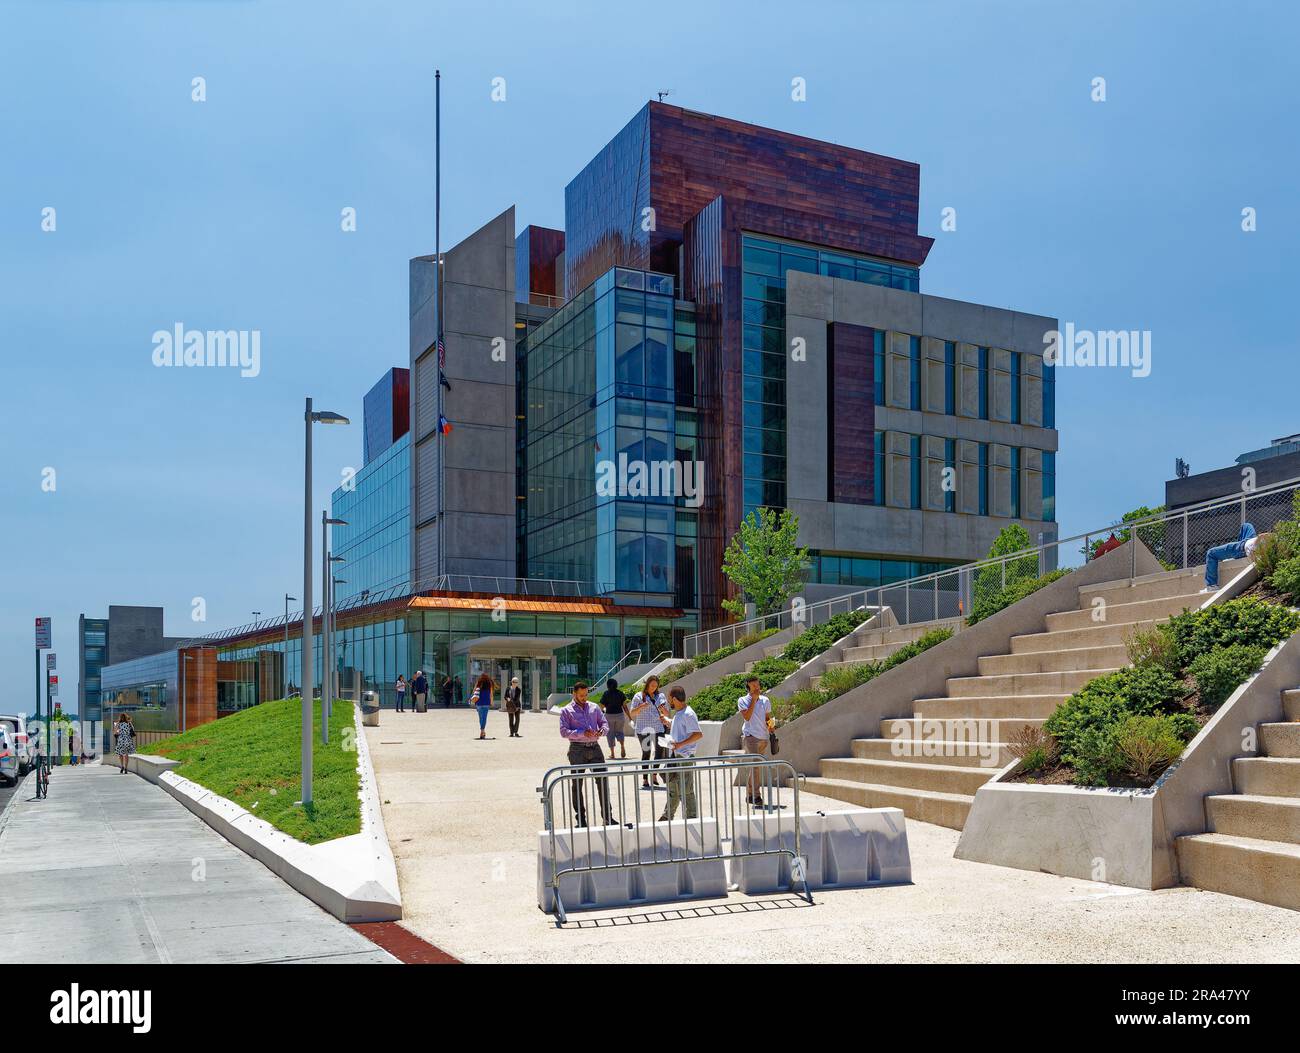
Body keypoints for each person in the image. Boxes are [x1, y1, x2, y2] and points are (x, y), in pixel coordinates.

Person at [558, 681, 612, 827]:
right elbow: (563, 732)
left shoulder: (594, 707)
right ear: (574, 693)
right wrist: (582, 733)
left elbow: (604, 723)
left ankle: (608, 817)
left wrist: (602, 730)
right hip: (577, 749)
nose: (584, 697)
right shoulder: (566, 710)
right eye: (581, 695)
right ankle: (581, 819)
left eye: (586, 694)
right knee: (577, 784)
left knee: (602, 782)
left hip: (595, 748)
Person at [659, 686, 702, 822]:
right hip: (676, 755)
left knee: (686, 790)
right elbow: (681, 729)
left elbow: (698, 734)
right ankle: (667, 816)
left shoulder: (688, 714)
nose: (668, 702)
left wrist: (680, 745)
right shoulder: (679, 713)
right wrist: (668, 721)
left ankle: (692, 819)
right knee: (673, 787)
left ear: (675, 699)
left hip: (684, 756)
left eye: (670, 699)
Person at [737, 675, 774, 806]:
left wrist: (771, 727)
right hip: (750, 736)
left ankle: (750, 794)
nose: (757, 688)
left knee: (756, 767)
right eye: (753, 686)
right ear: (748, 687)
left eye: (757, 685)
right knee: (756, 766)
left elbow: (768, 717)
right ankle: (756, 796)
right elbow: (747, 717)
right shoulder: (742, 700)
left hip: (764, 737)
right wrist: (753, 700)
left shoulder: (765, 700)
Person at [628, 675, 670, 789]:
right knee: (646, 752)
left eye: (656, 686)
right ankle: (645, 778)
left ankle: (654, 774)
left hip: (658, 727)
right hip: (643, 728)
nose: (654, 688)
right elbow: (632, 713)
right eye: (652, 685)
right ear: (647, 685)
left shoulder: (660, 696)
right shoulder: (638, 696)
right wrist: (641, 706)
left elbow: (667, 714)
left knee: (659, 753)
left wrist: (662, 709)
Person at [1203, 522, 1259, 592]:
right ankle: (1233, 556)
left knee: (1211, 553)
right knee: (1246, 525)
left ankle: (1211, 586)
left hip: (1241, 548)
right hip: (1247, 542)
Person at [599, 677, 628, 759]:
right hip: (620, 715)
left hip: (609, 716)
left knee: (610, 734)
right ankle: (622, 746)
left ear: (608, 685)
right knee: (620, 732)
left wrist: (603, 712)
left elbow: (601, 705)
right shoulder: (620, 693)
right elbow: (625, 706)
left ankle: (612, 754)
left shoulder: (606, 693)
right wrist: (629, 717)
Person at [471, 673, 494, 739]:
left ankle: (482, 730)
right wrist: (491, 702)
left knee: (481, 717)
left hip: (479, 702)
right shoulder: (489, 684)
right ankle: (482, 730)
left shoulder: (478, 683)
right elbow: (491, 694)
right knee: (484, 717)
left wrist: (472, 698)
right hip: (486, 702)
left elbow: (474, 691)